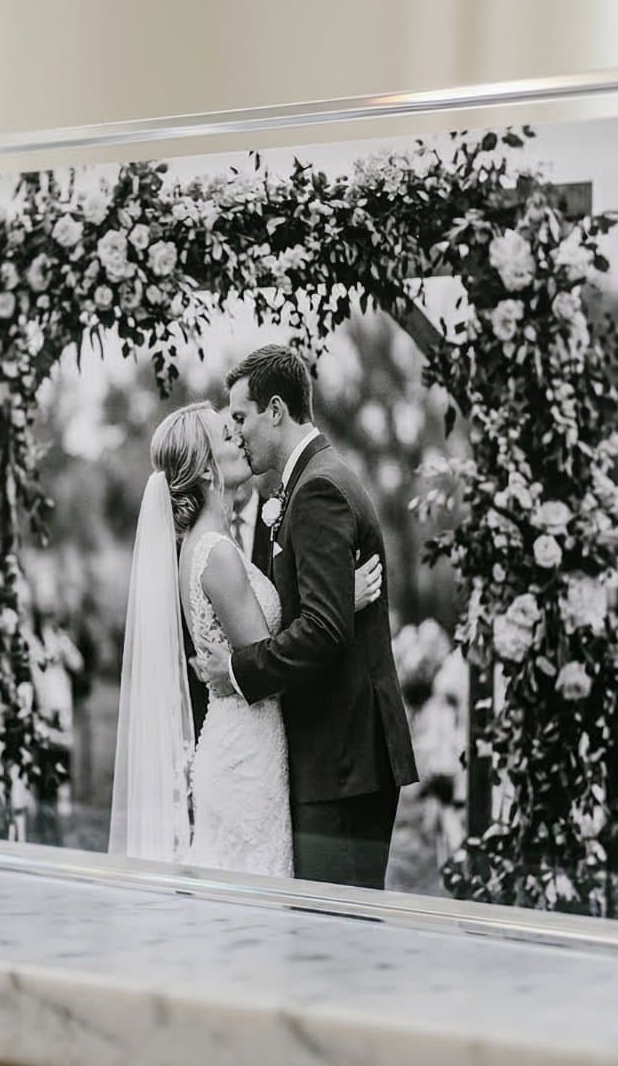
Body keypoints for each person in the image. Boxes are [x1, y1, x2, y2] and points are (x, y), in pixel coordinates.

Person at [194, 345, 421, 889]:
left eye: (242, 418)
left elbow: (323, 628)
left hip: (343, 761)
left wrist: (240, 671)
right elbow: (322, 613)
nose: (237, 433)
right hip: (334, 757)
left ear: (276, 410)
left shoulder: (317, 488)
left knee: (337, 945)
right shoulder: (306, 482)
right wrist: (344, 602)